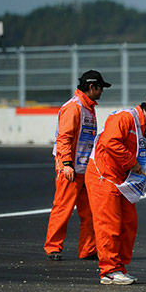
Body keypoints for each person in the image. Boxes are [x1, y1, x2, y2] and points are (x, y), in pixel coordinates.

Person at [85, 91, 146, 285]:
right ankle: (109, 271)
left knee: (129, 224)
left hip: (125, 182)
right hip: (104, 177)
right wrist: (131, 162)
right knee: (109, 225)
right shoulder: (124, 118)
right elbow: (110, 142)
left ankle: (120, 267)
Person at [44, 70, 110, 261]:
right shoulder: (74, 107)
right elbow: (64, 138)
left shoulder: (88, 107)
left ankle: (88, 249)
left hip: (85, 169)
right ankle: (53, 247)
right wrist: (66, 164)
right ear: (91, 87)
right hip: (70, 169)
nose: (102, 92)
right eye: (100, 88)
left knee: (90, 211)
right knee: (62, 208)